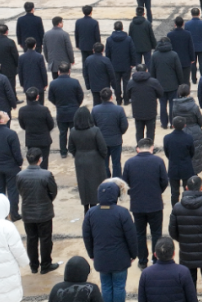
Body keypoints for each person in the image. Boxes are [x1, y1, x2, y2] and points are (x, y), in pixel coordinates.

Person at [82, 180, 138, 302]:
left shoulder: (91, 213)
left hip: (101, 258)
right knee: (119, 287)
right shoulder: (122, 212)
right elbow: (131, 236)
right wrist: (133, 254)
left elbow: (87, 236)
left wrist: (91, 254)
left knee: (106, 287)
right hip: (120, 259)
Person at [169, 175, 202, 302]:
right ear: (201, 188)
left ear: (186, 188)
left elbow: (172, 231)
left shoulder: (177, 208)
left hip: (186, 252)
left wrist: (183, 239)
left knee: (190, 280)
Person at [122, 138, 169, 268]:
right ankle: (156, 259)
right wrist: (157, 191)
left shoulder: (129, 163)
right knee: (156, 233)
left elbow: (124, 184)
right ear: (152, 148)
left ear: (137, 149)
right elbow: (164, 181)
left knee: (139, 234)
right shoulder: (158, 161)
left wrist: (133, 194)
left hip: (137, 205)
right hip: (155, 203)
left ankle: (142, 261)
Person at [17, 147, 60, 274]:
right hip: (44, 212)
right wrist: (47, 200)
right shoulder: (46, 175)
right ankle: (45, 265)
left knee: (31, 239)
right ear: (40, 159)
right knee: (45, 239)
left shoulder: (20, 176)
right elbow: (53, 191)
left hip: (28, 212)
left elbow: (21, 191)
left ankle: (34, 265)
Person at [69, 107, 108, 214]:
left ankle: (86, 208)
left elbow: (71, 148)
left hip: (80, 160)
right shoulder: (95, 130)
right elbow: (103, 147)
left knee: (84, 185)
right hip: (95, 160)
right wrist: (101, 156)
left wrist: (78, 155)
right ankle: (95, 207)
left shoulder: (73, 131)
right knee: (96, 185)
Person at [0, 110, 23, 220]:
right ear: (1, 120)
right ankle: (14, 214)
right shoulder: (11, 134)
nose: (7, 114)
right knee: (13, 191)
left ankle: (0, 215)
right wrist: (19, 163)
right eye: (4, 114)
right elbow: (16, 152)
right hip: (11, 166)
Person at [139, 237, 197, 302]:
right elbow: (192, 298)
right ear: (174, 253)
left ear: (155, 254)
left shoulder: (146, 273)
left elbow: (141, 299)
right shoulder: (183, 272)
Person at [49, 62, 85, 158]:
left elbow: (50, 97)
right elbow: (80, 95)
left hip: (61, 111)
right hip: (73, 111)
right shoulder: (75, 82)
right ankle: (74, 150)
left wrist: (58, 104)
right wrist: (76, 104)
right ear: (69, 71)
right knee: (74, 132)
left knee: (62, 133)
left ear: (58, 72)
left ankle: (63, 152)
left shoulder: (53, 83)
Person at [92, 88, 129, 177]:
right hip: (115, 140)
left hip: (101, 141)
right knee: (116, 163)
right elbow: (124, 125)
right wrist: (119, 133)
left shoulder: (95, 110)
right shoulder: (119, 109)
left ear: (101, 98)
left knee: (104, 164)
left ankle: (106, 178)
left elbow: (92, 125)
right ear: (111, 97)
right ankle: (117, 180)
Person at [150, 38, 184, 129]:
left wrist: (153, 83)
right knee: (173, 104)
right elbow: (179, 70)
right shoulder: (174, 54)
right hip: (173, 84)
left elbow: (152, 71)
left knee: (162, 104)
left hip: (160, 84)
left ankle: (164, 123)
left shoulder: (155, 55)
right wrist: (181, 83)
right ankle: (173, 123)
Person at [171, 86, 202, 174]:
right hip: (194, 130)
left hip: (180, 130)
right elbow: (200, 120)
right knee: (195, 155)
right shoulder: (194, 106)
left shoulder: (175, 105)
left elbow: (174, 119)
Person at [164, 117, 196, 206]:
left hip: (173, 166)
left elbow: (167, 152)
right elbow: (192, 152)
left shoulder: (167, 138)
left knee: (174, 192)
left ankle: (175, 209)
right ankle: (187, 208)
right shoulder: (189, 137)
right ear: (184, 125)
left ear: (173, 126)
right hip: (186, 167)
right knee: (187, 191)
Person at [128, 64, 163, 144]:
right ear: (146, 70)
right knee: (150, 132)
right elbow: (160, 93)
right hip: (151, 110)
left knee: (139, 131)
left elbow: (127, 95)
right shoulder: (153, 82)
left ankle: (140, 147)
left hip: (137, 111)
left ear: (136, 71)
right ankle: (149, 147)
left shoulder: (131, 82)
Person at [106, 22, 137, 105]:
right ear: (122, 28)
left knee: (116, 83)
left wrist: (109, 64)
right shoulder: (128, 39)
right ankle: (126, 100)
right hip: (126, 64)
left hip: (114, 65)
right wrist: (133, 63)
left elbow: (107, 54)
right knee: (126, 82)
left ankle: (118, 100)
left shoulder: (109, 40)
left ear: (114, 28)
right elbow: (132, 52)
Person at [0, 24, 20, 97]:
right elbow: (15, 55)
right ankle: (13, 98)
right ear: (7, 31)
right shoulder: (10, 42)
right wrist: (17, 65)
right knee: (11, 84)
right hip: (10, 67)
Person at [43, 17, 75, 81]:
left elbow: (45, 49)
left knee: (55, 80)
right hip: (64, 63)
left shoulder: (46, 34)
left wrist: (48, 60)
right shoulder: (64, 34)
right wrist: (72, 60)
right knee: (65, 80)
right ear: (59, 23)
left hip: (53, 63)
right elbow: (69, 48)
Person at [18, 37, 48, 101]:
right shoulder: (39, 56)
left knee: (30, 102)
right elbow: (43, 71)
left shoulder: (21, 57)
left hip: (27, 84)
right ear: (35, 45)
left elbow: (20, 72)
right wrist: (45, 83)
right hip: (39, 84)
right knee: (40, 103)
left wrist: (22, 83)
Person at [186, 8, 202, 79]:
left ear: (191, 14)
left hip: (191, 46)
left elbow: (186, 35)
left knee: (193, 63)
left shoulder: (187, 24)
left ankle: (194, 79)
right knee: (201, 63)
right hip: (201, 46)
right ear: (199, 14)